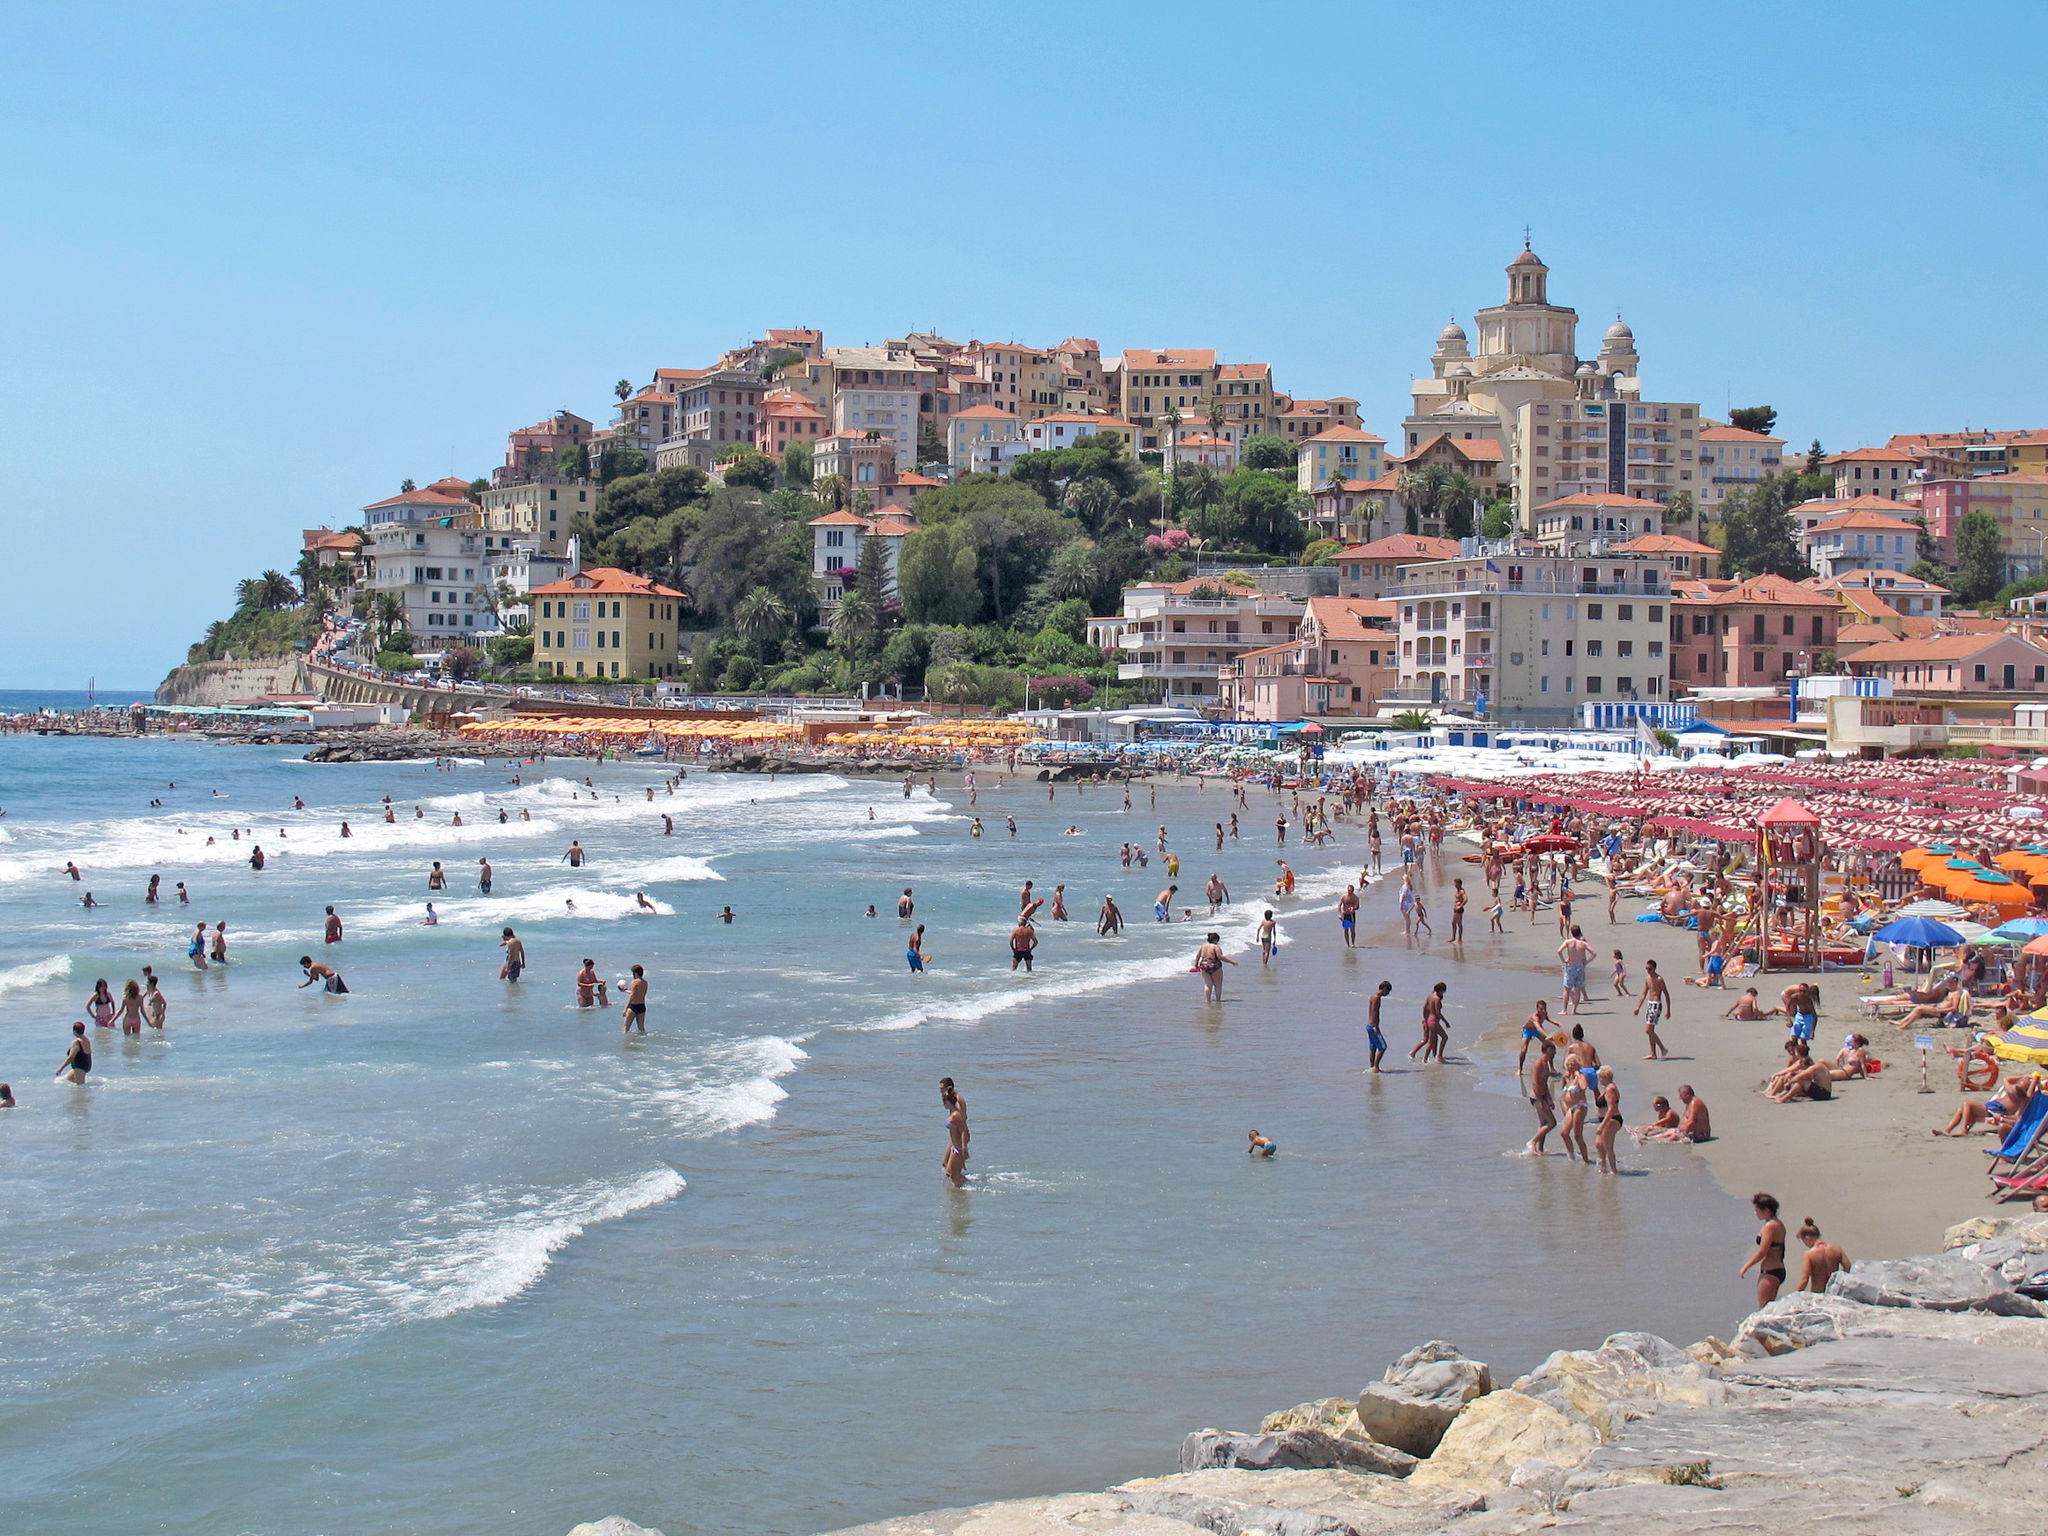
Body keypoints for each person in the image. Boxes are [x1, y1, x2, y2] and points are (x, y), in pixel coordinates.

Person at [1739, 1193, 1788, 1306]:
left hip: (1770, 1271)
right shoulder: (1779, 1224)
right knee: (1770, 1308)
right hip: (1778, 1269)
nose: (1755, 1213)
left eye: (1757, 1210)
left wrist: (1746, 1267)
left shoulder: (1770, 1227)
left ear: (1766, 1210)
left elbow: (1763, 1251)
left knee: (1764, 1309)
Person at [1526, 1030, 1559, 1156]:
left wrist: (1549, 1099)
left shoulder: (1546, 1064)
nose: (1555, 1052)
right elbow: (1535, 1083)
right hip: (1536, 1097)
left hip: (1543, 1096)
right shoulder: (1539, 1064)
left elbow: (1544, 1083)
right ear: (1547, 1050)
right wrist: (1541, 1101)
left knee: (1544, 1124)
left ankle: (1540, 1150)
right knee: (1552, 1123)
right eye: (1553, 1050)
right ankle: (1532, 1142)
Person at [1796, 1219, 1851, 1292]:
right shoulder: (1837, 1249)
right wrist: (1836, 1279)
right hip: (1834, 1292)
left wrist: (1796, 1294)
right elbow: (1848, 1266)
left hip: (1818, 1293)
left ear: (1807, 1238)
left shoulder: (1809, 1254)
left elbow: (1804, 1280)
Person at [1636, 958, 1671, 1059]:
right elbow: (1644, 993)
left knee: (1648, 1030)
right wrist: (1638, 1007)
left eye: (1650, 969)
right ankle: (1653, 1053)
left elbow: (1667, 995)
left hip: (1656, 1005)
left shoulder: (1659, 979)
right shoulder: (1647, 979)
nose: (1648, 970)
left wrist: (1668, 1010)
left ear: (1654, 968)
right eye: (1646, 968)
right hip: (1649, 1004)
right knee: (1651, 1030)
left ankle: (1663, 1049)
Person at [1558, 927, 1594, 1015]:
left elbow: (1559, 951)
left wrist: (1563, 960)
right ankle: (1574, 1010)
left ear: (1571, 933)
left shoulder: (1568, 942)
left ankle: (1565, 1010)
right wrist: (1587, 961)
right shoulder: (1583, 943)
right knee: (1577, 989)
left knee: (1567, 989)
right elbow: (1594, 953)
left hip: (1570, 966)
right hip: (1580, 967)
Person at [1594, 1064, 1623, 1173]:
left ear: (1606, 1077)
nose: (1599, 1080)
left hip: (1612, 1119)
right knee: (1599, 1144)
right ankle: (1603, 1167)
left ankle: (1614, 1171)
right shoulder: (1607, 1088)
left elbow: (1611, 1109)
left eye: (1600, 1077)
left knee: (1608, 1146)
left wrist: (1602, 1125)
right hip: (1605, 1119)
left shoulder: (1610, 1089)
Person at [940, 1078, 969, 1186]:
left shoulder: (957, 1102)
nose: (940, 1091)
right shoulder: (951, 1105)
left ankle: (964, 1189)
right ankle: (965, 1184)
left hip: (958, 1139)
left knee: (952, 1173)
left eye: (942, 1089)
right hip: (953, 1138)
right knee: (948, 1169)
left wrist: (963, 1146)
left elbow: (963, 1126)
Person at [1193, 932, 1235, 1002]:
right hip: (1215, 965)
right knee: (1218, 985)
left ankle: (1208, 1000)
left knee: (1208, 984)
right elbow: (1220, 956)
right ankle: (1218, 1000)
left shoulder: (1203, 946)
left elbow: (1197, 956)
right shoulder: (1215, 947)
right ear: (1216, 940)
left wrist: (1196, 965)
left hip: (1204, 965)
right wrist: (1231, 962)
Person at [621, 964, 648, 1033]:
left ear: (635, 973)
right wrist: (625, 990)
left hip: (633, 1006)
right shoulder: (645, 982)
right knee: (641, 1028)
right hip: (642, 1006)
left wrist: (626, 1008)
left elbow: (632, 996)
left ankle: (626, 1043)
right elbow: (638, 994)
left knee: (626, 1027)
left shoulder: (635, 982)